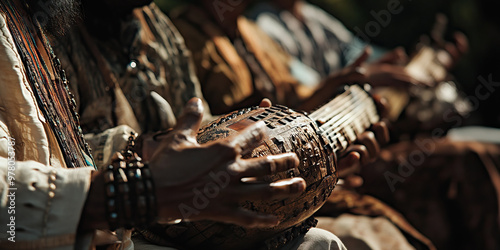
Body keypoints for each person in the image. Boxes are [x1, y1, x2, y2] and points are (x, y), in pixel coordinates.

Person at [51, 1, 391, 249]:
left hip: (197, 209)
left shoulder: (155, 24)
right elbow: (44, 157)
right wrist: (149, 155)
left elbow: (205, 123)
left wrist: (299, 159)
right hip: (111, 223)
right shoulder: (46, 27)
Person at [0, 1, 315, 249]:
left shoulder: (154, 24)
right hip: (113, 227)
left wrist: (259, 142)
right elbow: (13, 207)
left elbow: (194, 116)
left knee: (319, 244)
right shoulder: (55, 25)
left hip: (134, 222)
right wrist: (136, 186)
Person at [249, 1, 500, 249]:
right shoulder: (263, 23)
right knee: (468, 157)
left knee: (492, 148)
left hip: (368, 132)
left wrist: (421, 64)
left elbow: (363, 54)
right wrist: (363, 78)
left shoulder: (312, 16)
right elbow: (308, 89)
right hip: (338, 150)